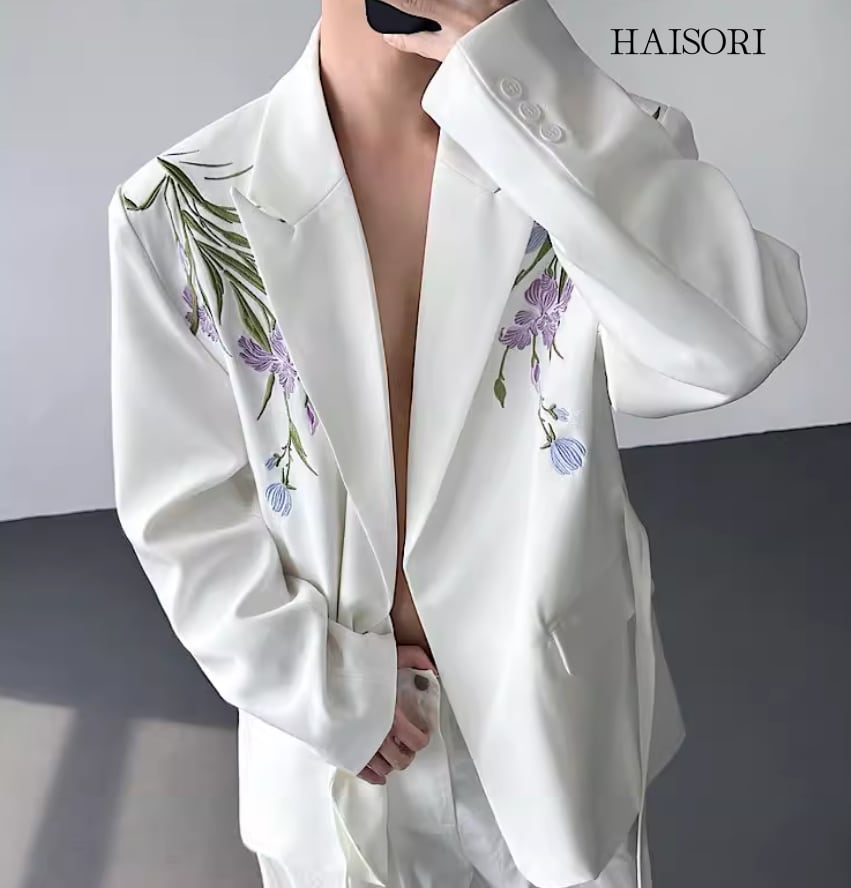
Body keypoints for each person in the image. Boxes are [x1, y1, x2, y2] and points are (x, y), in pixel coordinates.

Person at [107, 0, 808, 886]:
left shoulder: (594, 146)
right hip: (335, 750)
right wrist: (322, 689)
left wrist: (527, 71)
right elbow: (183, 512)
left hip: (552, 721)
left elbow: (734, 344)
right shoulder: (175, 206)